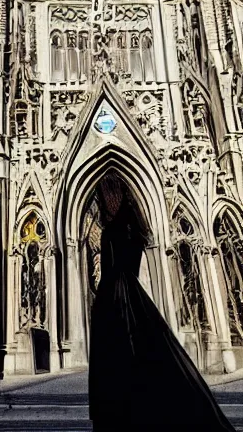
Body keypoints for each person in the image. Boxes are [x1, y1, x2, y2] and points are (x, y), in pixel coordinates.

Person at [88, 175, 236, 432]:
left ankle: (121, 415)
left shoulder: (112, 232)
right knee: (151, 353)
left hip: (113, 300)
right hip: (135, 296)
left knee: (115, 362)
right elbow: (133, 265)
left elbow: (111, 269)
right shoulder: (135, 230)